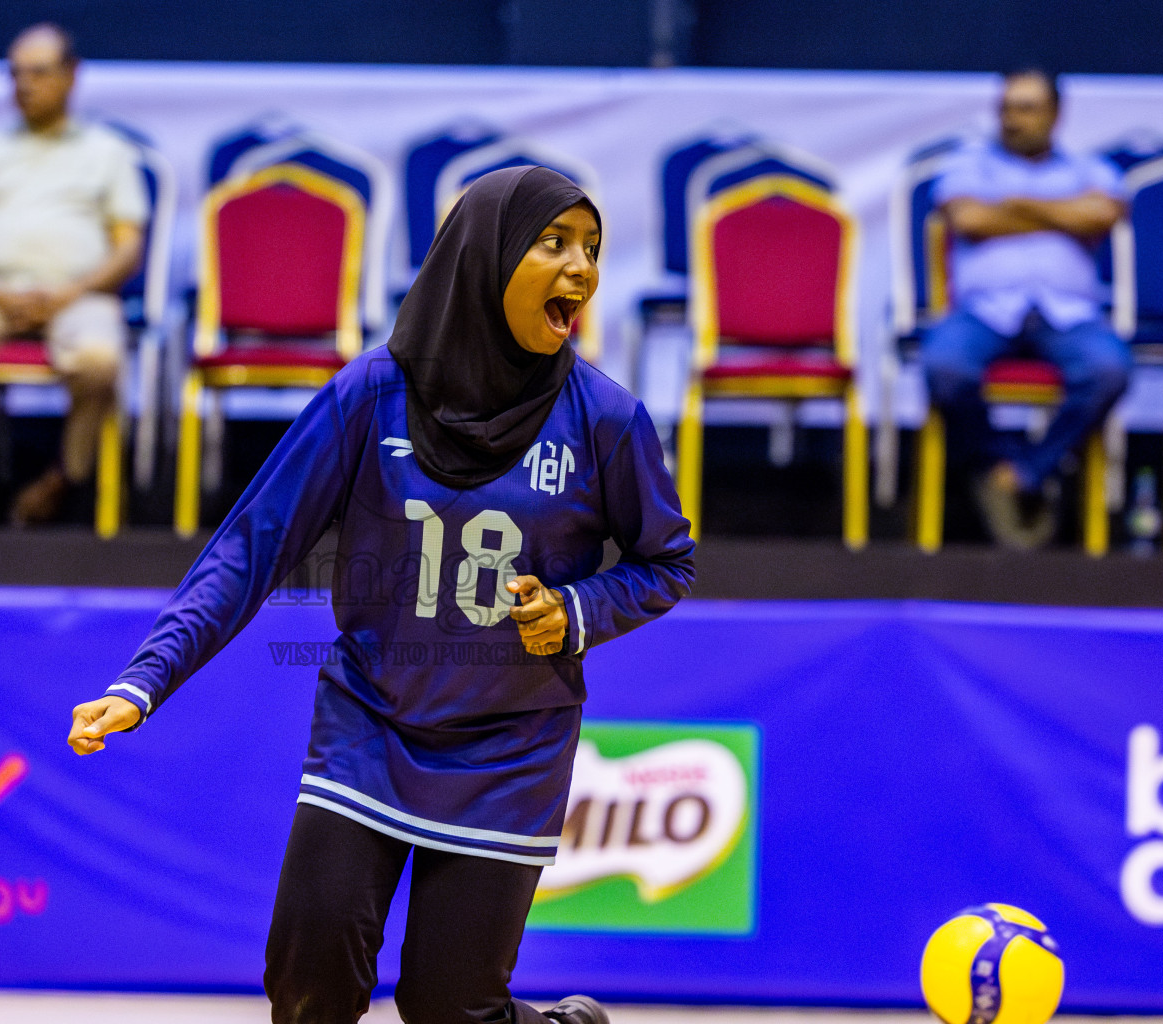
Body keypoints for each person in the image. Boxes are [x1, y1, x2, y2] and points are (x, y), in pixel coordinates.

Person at [67, 167, 696, 1024]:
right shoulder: (372, 392)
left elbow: (666, 562)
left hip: (508, 749)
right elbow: (251, 548)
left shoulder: (606, 419)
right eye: (554, 244)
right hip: (370, 724)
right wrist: (142, 681)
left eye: (591, 248)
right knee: (308, 980)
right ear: (485, 256)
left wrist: (576, 612)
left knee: (449, 1008)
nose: (582, 268)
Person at [0, 22, 147, 526]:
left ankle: (63, 478)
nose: (23, 85)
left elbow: (129, 246)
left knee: (99, 357)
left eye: (38, 73)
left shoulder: (108, 151)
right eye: (15, 73)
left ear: (71, 76)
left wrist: (73, 291)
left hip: (79, 294)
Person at [926, 68, 1131, 548]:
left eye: (1026, 108)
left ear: (1056, 114)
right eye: (1006, 108)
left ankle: (1019, 475)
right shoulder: (968, 164)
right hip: (984, 312)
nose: (1012, 119)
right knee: (944, 365)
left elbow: (1103, 213)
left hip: (1068, 314)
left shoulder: (1090, 168)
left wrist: (1015, 205)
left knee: (1110, 369)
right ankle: (1003, 462)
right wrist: (1062, 213)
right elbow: (970, 218)